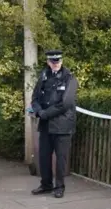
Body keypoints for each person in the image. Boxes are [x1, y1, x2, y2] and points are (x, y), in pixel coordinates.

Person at [29, 50, 79, 199]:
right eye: (52, 61)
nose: (55, 64)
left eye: (57, 61)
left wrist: (45, 113)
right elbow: (35, 98)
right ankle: (46, 184)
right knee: (44, 156)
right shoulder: (44, 76)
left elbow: (65, 103)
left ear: (61, 61)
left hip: (62, 125)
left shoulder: (69, 78)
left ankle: (59, 187)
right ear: (48, 62)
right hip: (45, 124)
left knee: (61, 158)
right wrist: (38, 111)